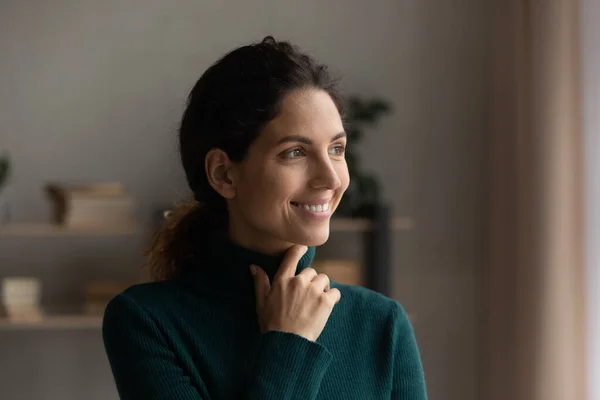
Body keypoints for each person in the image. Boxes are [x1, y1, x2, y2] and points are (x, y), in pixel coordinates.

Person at [102, 36, 427, 400]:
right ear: (224, 174)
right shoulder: (146, 322)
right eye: (295, 152)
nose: (332, 179)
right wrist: (289, 344)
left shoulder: (382, 324)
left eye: (336, 149)